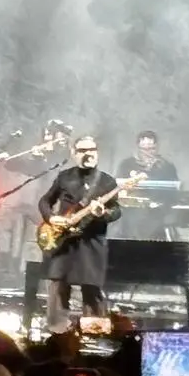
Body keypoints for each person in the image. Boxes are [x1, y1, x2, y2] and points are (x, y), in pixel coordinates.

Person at [37, 136, 121, 332]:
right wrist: (51, 218)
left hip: (91, 241)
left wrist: (103, 213)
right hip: (63, 240)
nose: (88, 153)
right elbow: (45, 201)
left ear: (97, 152)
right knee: (58, 284)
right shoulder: (65, 177)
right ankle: (56, 332)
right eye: (82, 150)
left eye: (91, 149)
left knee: (91, 287)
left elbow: (116, 211)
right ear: (74, 154)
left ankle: (94, 334)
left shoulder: (107, 181)